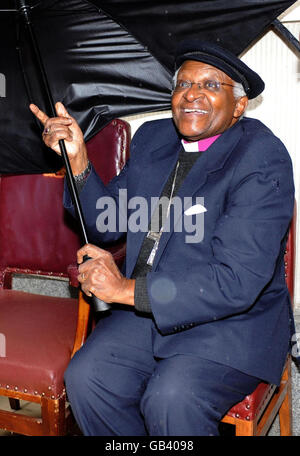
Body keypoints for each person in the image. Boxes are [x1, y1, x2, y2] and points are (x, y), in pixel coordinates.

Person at [30, 41, 295, 436]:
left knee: (171, 398)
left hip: (228, 320)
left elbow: (237, 280)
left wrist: (126, 290)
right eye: (183, 84)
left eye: (210, 85)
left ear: (239, 106)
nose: (192, 94)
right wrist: (79, 161)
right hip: (147, 312)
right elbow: (107, 221)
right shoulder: (154, 139)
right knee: (87, 377)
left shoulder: (261, 157)